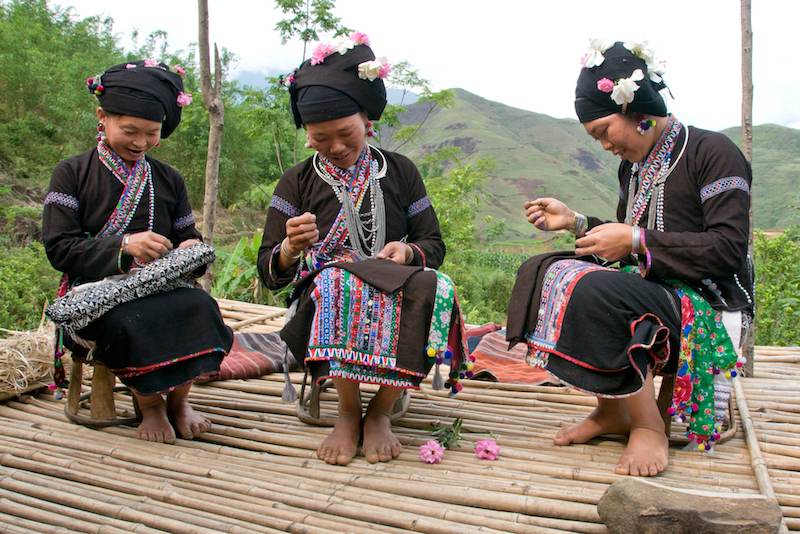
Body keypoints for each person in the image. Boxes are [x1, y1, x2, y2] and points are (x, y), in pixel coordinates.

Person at [507, 40, 753, 476]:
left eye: (604, 131)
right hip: (656, 290)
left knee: (594, 288)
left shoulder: (713, 152)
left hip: (708, 304)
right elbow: (627, 241)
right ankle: (613, 409)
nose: (604, 146)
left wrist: (637, 240)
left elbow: (728, 250)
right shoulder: (635, 167)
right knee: (545, 270)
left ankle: (648, 425)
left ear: (638, 111)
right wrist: (577, 222)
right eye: (595, 137)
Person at [257, 33, 468, 466]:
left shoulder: (401, 171)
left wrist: (409, 255)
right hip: (327, 283)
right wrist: (291, 249)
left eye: (345, 133)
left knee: (435, 286)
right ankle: (349, 413)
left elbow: (434, 243)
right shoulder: (295, 182)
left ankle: (381, 411)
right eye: (319, 138)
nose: (335, 147)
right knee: (338, 282)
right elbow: (269, 271)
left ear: (367, 119)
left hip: (391, 275)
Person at [42, 60, 234, 444]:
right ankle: (150, 406)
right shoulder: (72, 173)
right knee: (134, 319)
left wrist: (190, 248)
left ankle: (179, 402)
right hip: (95, 295)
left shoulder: (168, 178)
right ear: (102, 117)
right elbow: (59, 247)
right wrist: (125, 245)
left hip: (159, 285)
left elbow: (185, 234)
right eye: (129, 131)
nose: (140, 143)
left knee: (200, 308)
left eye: (152, 133)